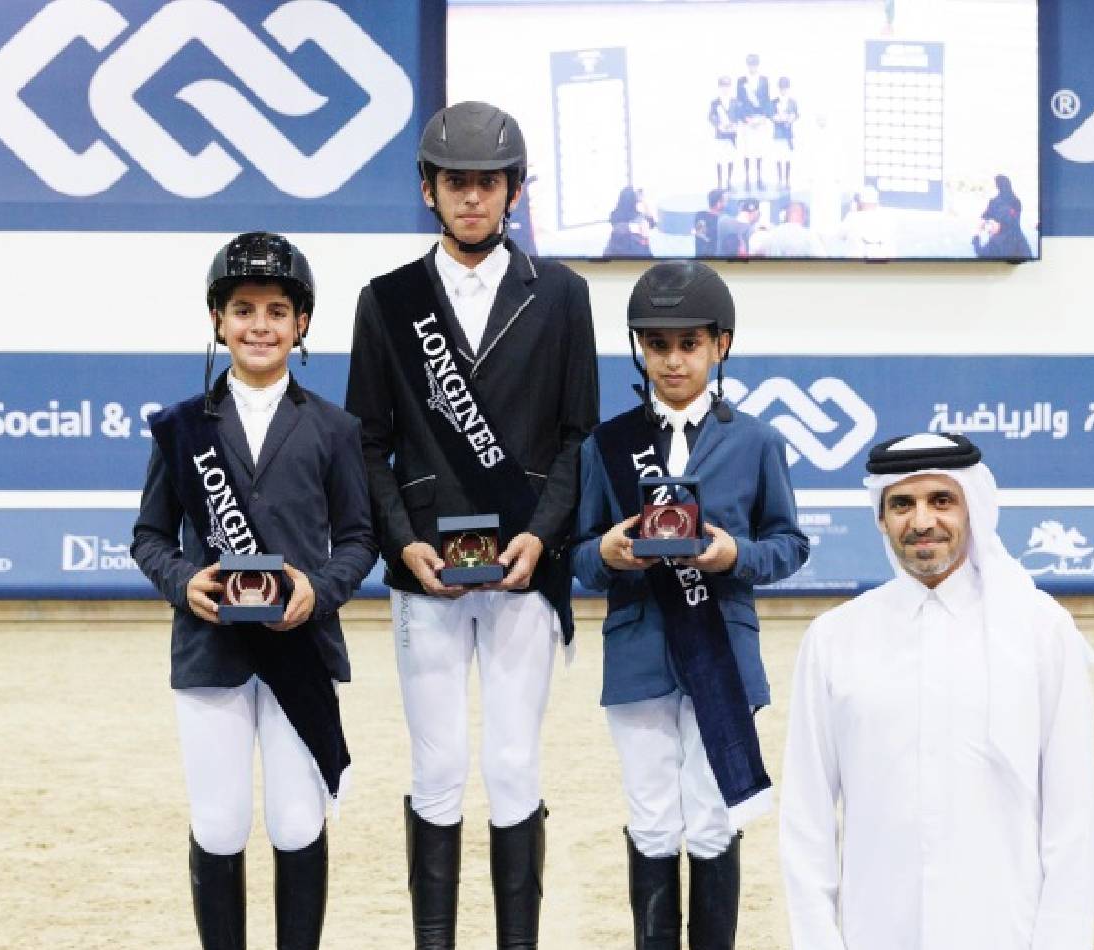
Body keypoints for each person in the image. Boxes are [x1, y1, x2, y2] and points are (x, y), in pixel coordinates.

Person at [345, 101, 599, 950]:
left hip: (528, 562)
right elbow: (367, 444)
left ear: (513, 192)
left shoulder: (562, 296)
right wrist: (399, 541)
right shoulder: (386, 303)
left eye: (488, 184)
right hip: (426, 569)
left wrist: (545, 533)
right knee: (441, 767)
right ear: (429, 190)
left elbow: (577, 437)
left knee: (514, 765)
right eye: (456, 183)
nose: (472, 199)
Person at [132, 232, 379, 950]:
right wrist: (186, 582)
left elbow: (360, 538)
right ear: (218, 320)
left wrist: (319, 588)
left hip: (299, 645)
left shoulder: (335, 429)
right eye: (243, 309)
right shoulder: (180, 429)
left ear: (302, 323)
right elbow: (149, 537)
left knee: (298, 820)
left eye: (277, 310)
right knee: (220, 822)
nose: (260, 325)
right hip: (211, 650)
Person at [779, 433, 1094, 949]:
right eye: (902, 504)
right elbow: (807, 817)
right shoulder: (834, 638)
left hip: (1004, 928)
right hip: (877, 929)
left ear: (972, 508)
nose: (922, 521)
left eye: (941, 500)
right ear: (881, 518)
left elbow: (1072, 818)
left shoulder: (1040, 631)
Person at [571, 261, 809, 948]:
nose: (672, 360)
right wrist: (607, 556)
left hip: (723, 653)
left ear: (720, 346)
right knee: (651, 818)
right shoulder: (606, 444)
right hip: (640, 652)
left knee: (711, 818)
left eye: (689, 344)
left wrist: (736, 556)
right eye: (657, 345)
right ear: (639, 349)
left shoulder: (759, 442)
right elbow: (580, 556)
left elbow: (789, 545)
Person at [735, 54, 773, 192]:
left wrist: (764, 117)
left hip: (760, 119)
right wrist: (745, 119)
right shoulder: (741, 81)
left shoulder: (764, 80)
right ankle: (747, 178)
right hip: (748, 119)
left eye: (755, 64)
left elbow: (767, 100)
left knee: (759, 150)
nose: (752, 67)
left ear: (758, 65)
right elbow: (739, 101)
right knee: (747, 149)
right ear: (747, 65)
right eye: (750, 64)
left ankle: (759, 178)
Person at [973, 174, 1032, 260]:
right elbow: (986, 215)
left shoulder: (995, 244)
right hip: (1017, 241)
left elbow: (980, 253)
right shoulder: (1015, 201)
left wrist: (976, 236)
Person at [750, 201, 823, 257]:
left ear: (786, 215)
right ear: (804, 215)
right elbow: (822, 261)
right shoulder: (809, 236)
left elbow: (757, 255)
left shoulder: (772, 234)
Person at [604, 186, 656, 258]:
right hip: (635, 252)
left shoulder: (614, 215)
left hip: (614, 252)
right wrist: (644, 201)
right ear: (634, 201)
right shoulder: (640, 218)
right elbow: (652, 223)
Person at [708, 79, 740, 191]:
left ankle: (729, 180)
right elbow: (711, 116)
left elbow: (738, 115)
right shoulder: (715, 102)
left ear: (730, 87)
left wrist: (734, 124)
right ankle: (720, 181)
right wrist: (718, 125)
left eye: (727, 86)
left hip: (731, 135)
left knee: (731, 158)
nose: (725, 88)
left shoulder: (735, 101)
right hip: (720, 135)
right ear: (719, 87)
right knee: (720, 158)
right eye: (723, 86)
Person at [771, 77, 800, 192]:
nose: (783, 90)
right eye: (781, 88)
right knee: (778, 157)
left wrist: (791, 118)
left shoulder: (792, 102)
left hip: (788, 133)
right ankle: (779, 179)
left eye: (785, 88)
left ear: (788, 88)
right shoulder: (774, 101)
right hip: (778, 133)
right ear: (779, 89)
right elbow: (771, 114)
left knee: (787, 158)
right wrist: (777, 118)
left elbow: (797, 114)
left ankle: (787, 180)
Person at [692, 188, 727, 259]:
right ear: (718, 203)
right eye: (725, 201)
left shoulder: (699, 215)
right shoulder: (721, 222)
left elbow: (697, 232)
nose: (726, 203)